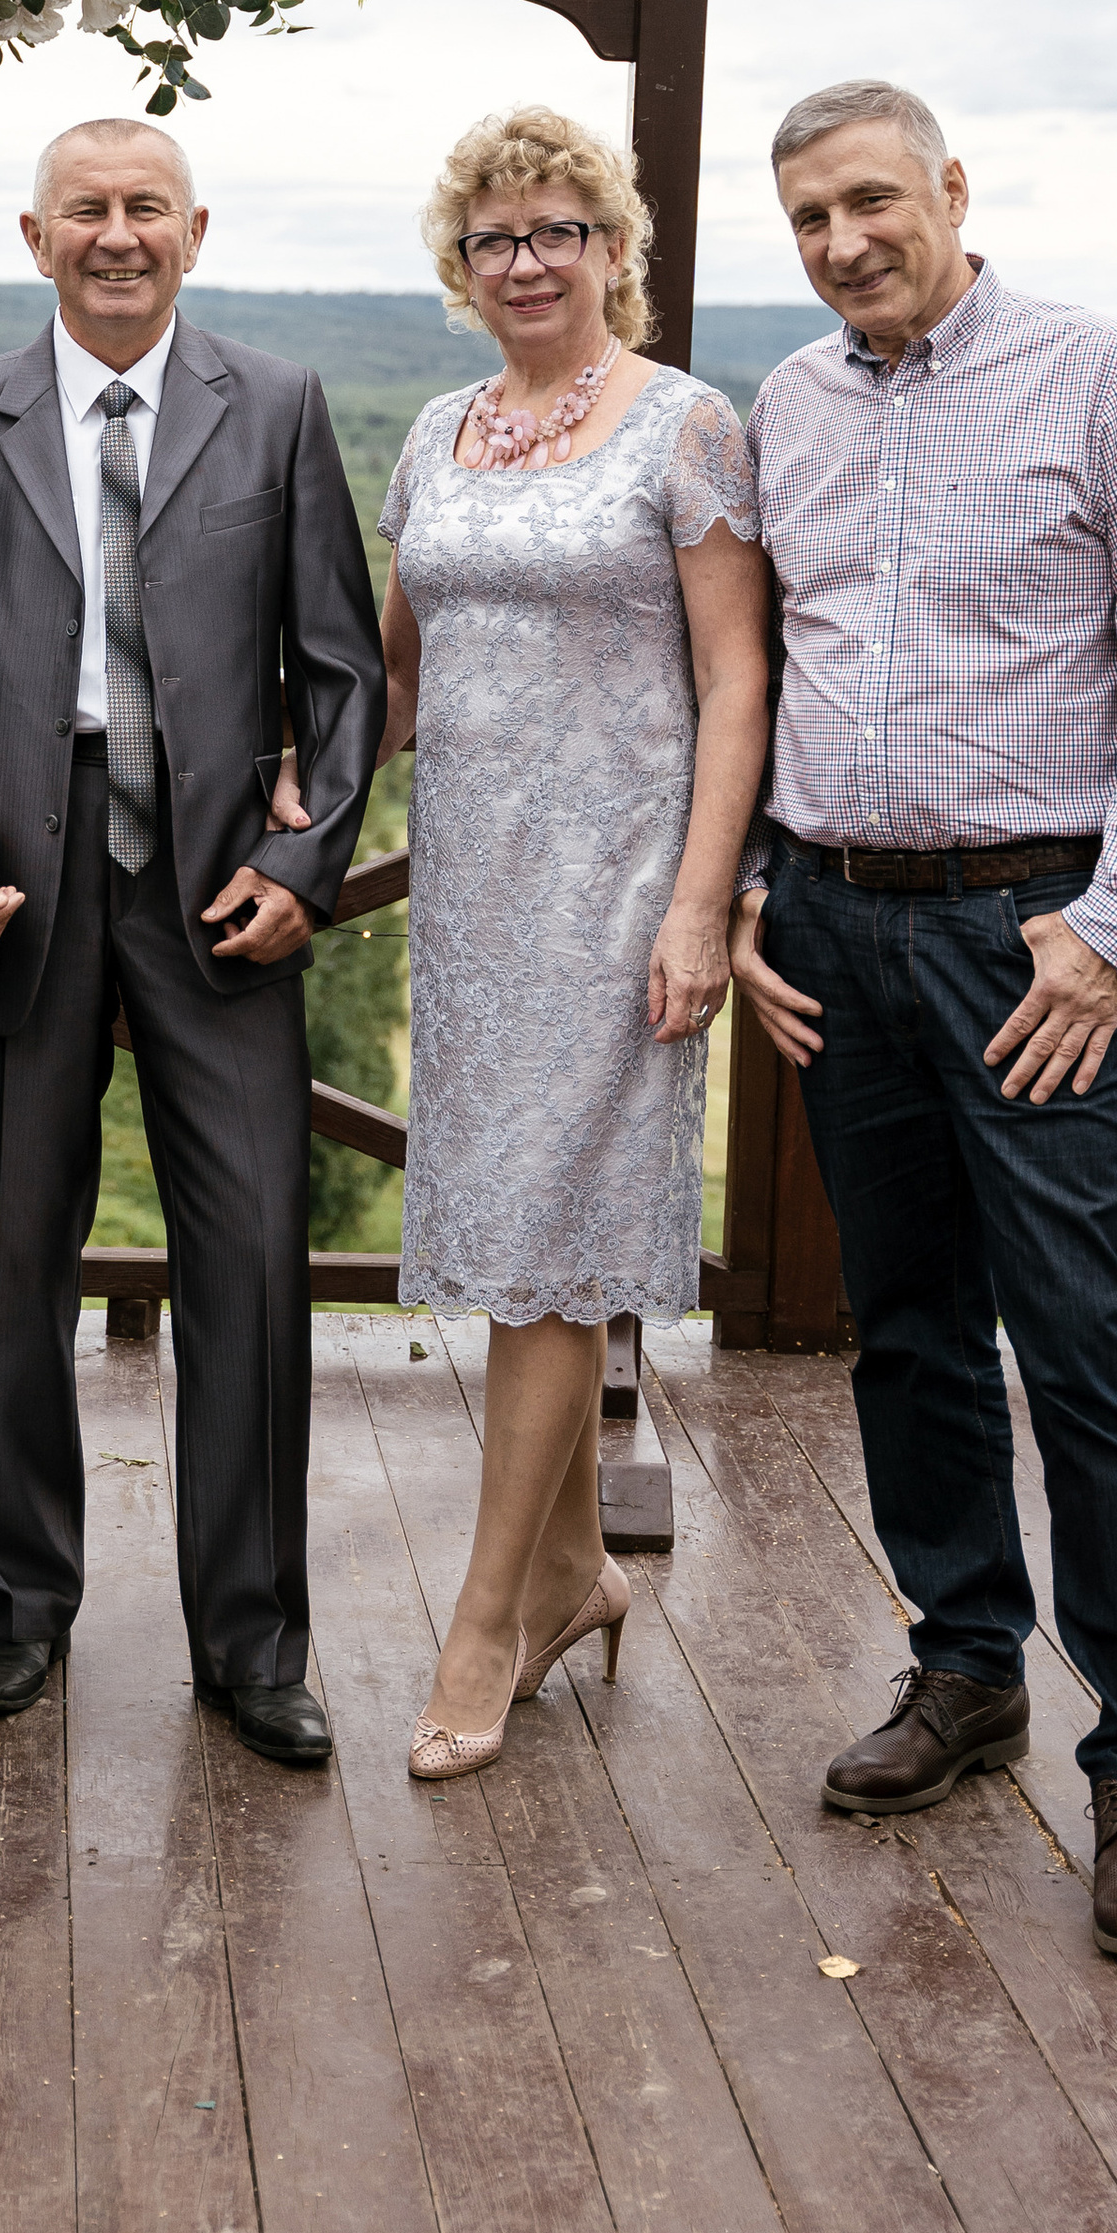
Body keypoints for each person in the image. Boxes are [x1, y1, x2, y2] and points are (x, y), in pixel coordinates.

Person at [729, 80, 1117, 1964]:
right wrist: (769, 883)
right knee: (911, 1335)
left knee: (1091, 1350)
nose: (845, 242)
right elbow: (779, 659)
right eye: (809, 220)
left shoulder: (1104, 372)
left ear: (951, 187)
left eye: (873, 201)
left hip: (1035, 940)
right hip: (843, 931)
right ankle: (967, 1668)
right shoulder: (787, 403)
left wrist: (1113, 935)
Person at [0, 118, 386, 1764]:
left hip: (222, 881)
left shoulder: (279, 408)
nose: (117, 234)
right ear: (34, 236)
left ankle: (254, 1638)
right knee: (17, 1253)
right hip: (21, 873)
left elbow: (343, 672)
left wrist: (307, 859)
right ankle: (17, 1607)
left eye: (145, 208)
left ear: (196, 228)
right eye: (85, 210)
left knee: (253, 1266)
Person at [377, 105, 770, 1779]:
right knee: (500, 1232)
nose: (527, 261)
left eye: (559, 232)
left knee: (545, 1251)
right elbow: (392, 676)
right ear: (461, 270)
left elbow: (740, 678)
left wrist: (702, 902)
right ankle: (574, 1577)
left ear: (617, 250)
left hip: (619, 905)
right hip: (472, 908)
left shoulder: (689, 428)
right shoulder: (435, 434)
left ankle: (486, 1621)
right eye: (495, 239)